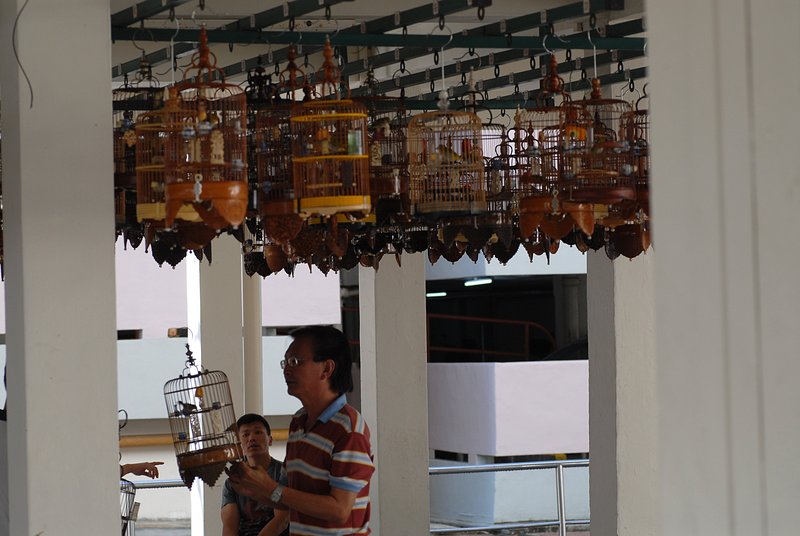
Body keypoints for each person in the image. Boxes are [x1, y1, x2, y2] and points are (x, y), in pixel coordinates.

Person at [227, 325, 375, 535]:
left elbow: (340, 510)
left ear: (327, 369)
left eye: (295, 362)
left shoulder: (348, 430)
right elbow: (290, 499)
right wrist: (254, 489)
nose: (286, 370)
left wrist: (269, 487)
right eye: (285, 362)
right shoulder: (298, 422)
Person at [222, 414, 289, 536]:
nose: (252, 438)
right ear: (239, 445)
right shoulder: (233, 482)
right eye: (245, 434)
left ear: (270, 440)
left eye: (258, 432)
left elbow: (282, 520)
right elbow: (229, 527)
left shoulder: (283, 473)